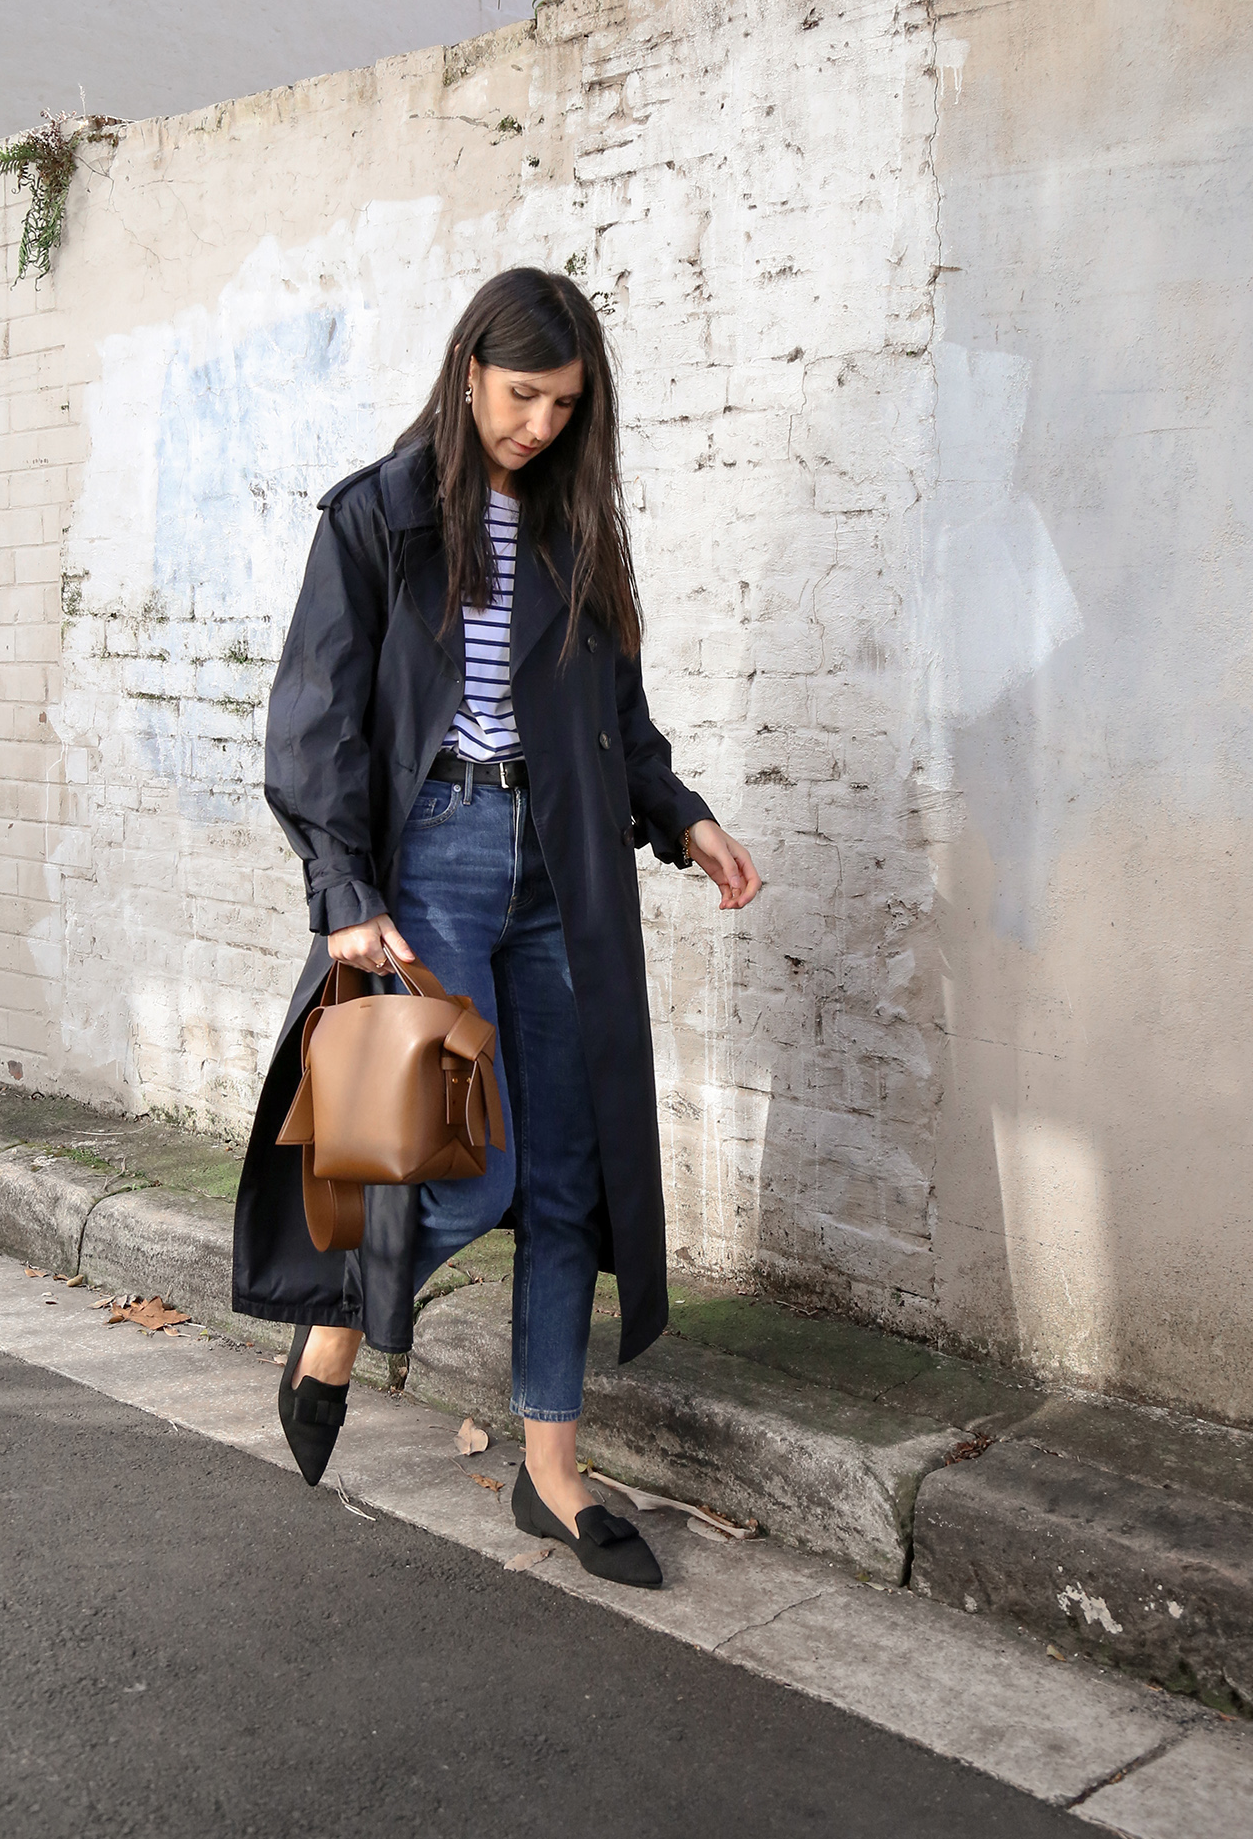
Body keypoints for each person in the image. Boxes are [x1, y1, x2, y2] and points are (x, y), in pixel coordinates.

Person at [232, 267, 761, 1589]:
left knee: (570, 1169)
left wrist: (682, 817)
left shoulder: (582, 528)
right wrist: (346, 895)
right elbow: (313, 721)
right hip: (436, 858)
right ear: (469, 369)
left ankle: (551, 1467)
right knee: (457, 1152)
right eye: (522, 393)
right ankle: (345, 1315)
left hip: (564, 857)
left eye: (564, 402)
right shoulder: (379, 519)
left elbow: (619, 723)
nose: (538, 422)